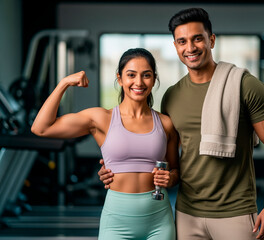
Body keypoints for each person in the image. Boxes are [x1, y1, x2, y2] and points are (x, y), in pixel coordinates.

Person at [98, 8, 264, 240]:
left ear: (211, 40)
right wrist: (114, 168)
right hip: (187, 212)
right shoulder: (172, 96)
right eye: (182, 41)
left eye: (197, 38)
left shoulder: (245, 85)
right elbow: (163, 156)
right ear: (176, 46)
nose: (190, 47)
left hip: (235, 211)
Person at [31, 48, 179, 240]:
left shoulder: (165, 123)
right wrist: (64, 83)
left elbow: (176, 171)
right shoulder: (101, 118)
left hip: (158, 221)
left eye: (146, 75)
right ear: (119, 78)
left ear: (154, 79)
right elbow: (41, 128)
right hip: (117, 222)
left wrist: (170, 179)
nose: (139, 82)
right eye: (131, 75)